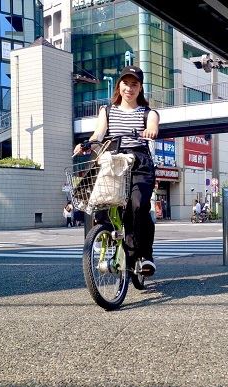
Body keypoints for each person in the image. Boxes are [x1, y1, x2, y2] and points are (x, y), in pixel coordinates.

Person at [73, 66, 159, 277]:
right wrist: (88, 144)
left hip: (140, 162)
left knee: (138, 205)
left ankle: (144, 255)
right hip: (114, 161)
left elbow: (153, 126)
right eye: (125, 83)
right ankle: (106, 234)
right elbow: (99, 134)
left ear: (140, 88)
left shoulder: (148, 113)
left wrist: (150, 131)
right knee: (103, 200)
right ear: (119, 86)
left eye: (134, 84)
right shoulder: (107, 110)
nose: (129, 88)